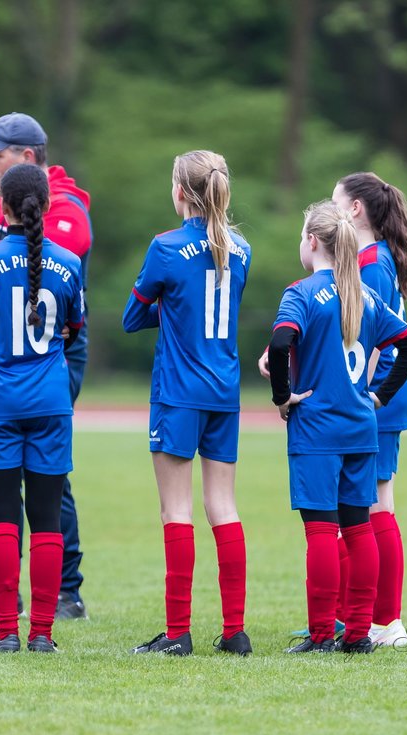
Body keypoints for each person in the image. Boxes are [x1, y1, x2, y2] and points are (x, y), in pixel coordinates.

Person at [0, 112, 93, 620]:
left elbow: (41, 268)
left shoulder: (68, 208)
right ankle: (6, 587)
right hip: (18, 359)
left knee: (47, 482)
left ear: (28, 157)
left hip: (47, 361)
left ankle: (67, 591)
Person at [262, 200, 407, 654]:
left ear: (312, 242)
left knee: (320, 532)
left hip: (317, 431)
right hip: (360, 428)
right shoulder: (365, 295)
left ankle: (320, 637)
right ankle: (357, 634)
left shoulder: (301, 292)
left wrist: (282, 396)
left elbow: (279, 343)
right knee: (357, 530)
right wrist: (378, 395)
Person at [123, 151, 252, 657]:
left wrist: (172, 313)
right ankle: (234, 630)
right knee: (224, 505)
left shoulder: (164, 246)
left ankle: (177, 633)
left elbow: (134, 317)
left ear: (180, 192)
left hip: (178, 393)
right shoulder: (241, 249)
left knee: (175, 509)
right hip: (225, 391)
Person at [332, 172, 407, 648]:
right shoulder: (373, 257)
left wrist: (358, 394)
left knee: (372, 506)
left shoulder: (369, 263)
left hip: (378, 394)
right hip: (382, 392)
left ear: (354, 211)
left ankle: (385, 622)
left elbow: (369, 341)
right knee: (368, 504)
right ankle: (359, 616)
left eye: (334, 203)